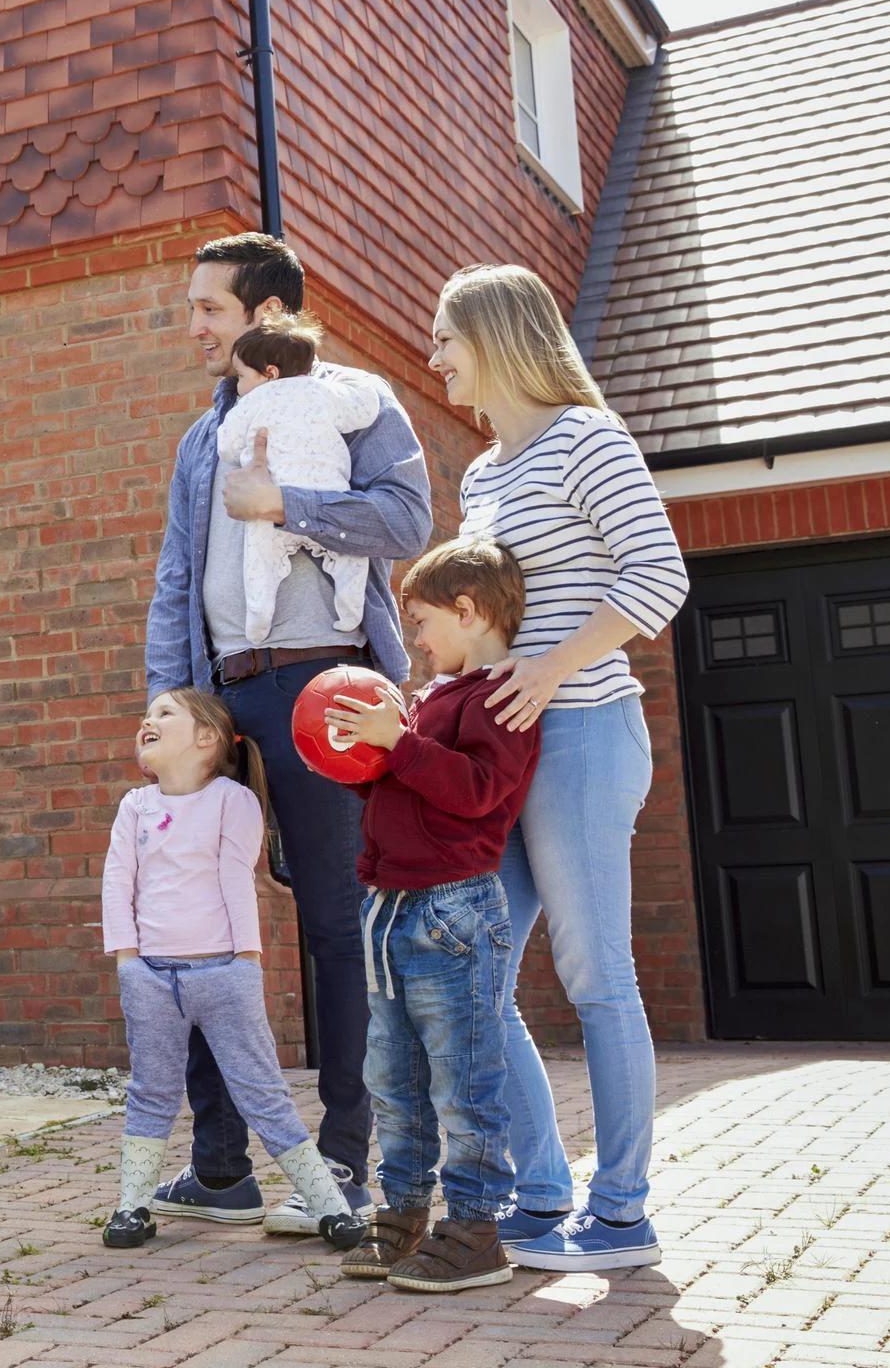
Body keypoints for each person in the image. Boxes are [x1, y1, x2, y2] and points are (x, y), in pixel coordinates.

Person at [145, 232, 434, 1235]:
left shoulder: (357, 403)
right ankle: (220, 1164)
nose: (193, 328)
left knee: (333, 924)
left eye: (209, 310)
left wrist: (289, 502)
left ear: (263, 317)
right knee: (201, 929)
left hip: (324, 683)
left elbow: (407, 520)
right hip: (221, 699)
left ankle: (351, 1156)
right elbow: (178, 576)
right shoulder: (198, 439)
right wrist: (169, 706)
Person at [428, 264, 689, 1273]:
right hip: (505, 749)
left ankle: (620, 1209)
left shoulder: (590, 437)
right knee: (474, 977)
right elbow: (491, 620)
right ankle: (542, 1191)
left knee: (595, 974)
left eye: (448, 336)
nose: (437, 355)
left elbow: (656, 575)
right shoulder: (482, 474)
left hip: (583, 733)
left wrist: (547, 668)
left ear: (495, 337)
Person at [323, 536, 540, 1292]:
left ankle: (477, 1226)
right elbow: (401, 791)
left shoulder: (503, 697)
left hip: (453, 910)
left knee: (461, 1078)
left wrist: (401, 745)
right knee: (394, 1076)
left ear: (468, 609)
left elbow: (479, 791)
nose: (414, 638)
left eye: (420, 622)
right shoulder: (428, 700)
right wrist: (365, 759)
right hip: (387, 908)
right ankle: (403, 1212)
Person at [100, 688, 360, 1252]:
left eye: (165, 712)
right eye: (147, 713)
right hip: (150, 977)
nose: (148, 719)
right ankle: (131, 1206)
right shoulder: (134, 807)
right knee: (151, 1092)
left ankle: (331, 1209)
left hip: (222, 973)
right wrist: (127, 960)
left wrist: (248, 961)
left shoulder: (231, 801)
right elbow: (119, 884)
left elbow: (236, 881)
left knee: (263, 1093)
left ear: (207, 738)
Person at [219, 316, 384, 642]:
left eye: (241, 376)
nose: (238, 386)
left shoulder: (252, 401)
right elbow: (365, 408)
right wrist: (365, 382)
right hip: (328, 502)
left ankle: (258, 619)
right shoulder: (324, 391)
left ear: (270, 373)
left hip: (270, 508)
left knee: (260, 564)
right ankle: (349, 612)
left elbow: (226, 445)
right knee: (351, 560)